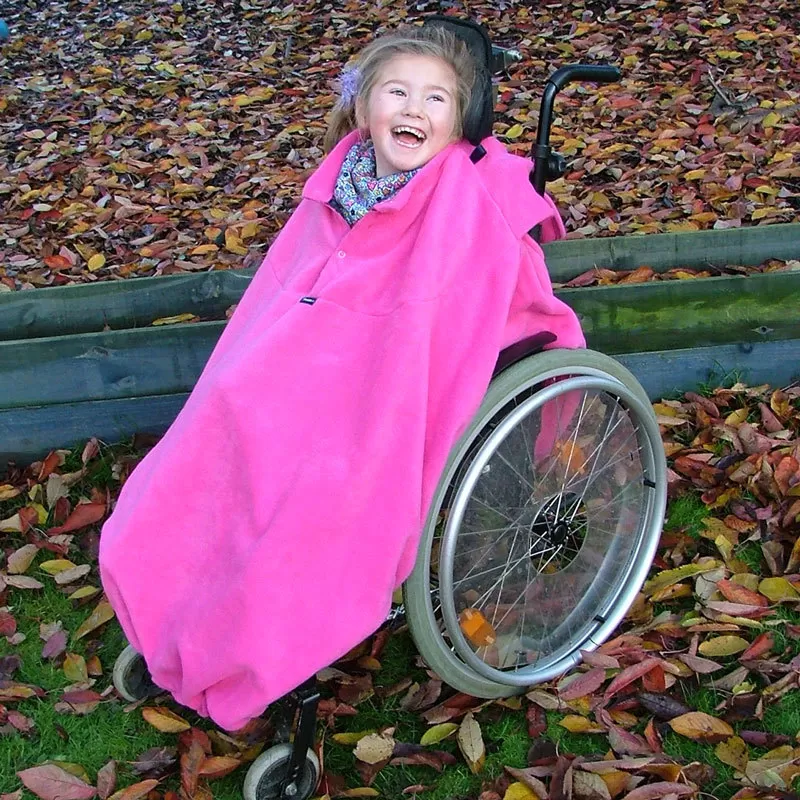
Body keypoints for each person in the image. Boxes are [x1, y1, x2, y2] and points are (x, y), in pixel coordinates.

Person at [99, 19, 584, 732]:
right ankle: (175, 619)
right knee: (218, 431)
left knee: (314, 488)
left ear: (462, 121)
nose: (413, 110)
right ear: (363, 106)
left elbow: (441, 314)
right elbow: (289, 288)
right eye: (397, 91)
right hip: (308, 364)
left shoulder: (467, 200)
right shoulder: (344, 183)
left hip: (387, 379)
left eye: (437, 99)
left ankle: (246, 640)